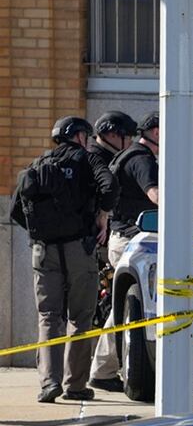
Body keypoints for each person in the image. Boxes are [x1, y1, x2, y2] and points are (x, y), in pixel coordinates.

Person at [10, 116, 118, 402]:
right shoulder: (88, 160)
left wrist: (42, 233)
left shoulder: (38, 164)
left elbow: (16, 211)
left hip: (43, 250)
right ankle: (75, 385)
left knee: (48, 316)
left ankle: (49, 383)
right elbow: (110, 187)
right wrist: (102, 216)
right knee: (80, 317)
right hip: (79, 249)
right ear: (80, 136)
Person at [89, 112, 159, 392]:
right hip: (131, 240)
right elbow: (154, 194)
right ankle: (103, 369)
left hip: (123, 238)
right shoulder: (142, 159)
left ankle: (103, 369)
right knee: (125, 308)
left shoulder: (131, 155)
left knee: (123, 307)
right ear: (154, 131)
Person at [86, 111, 138, 392]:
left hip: (91, 243)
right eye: (125, 136)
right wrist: (103, 217)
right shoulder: (100, 159)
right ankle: (102, 368)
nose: (129, 142)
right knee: (110, 307)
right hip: (97, 243)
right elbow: (108, 190)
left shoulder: (99, 156)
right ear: (111, 134)